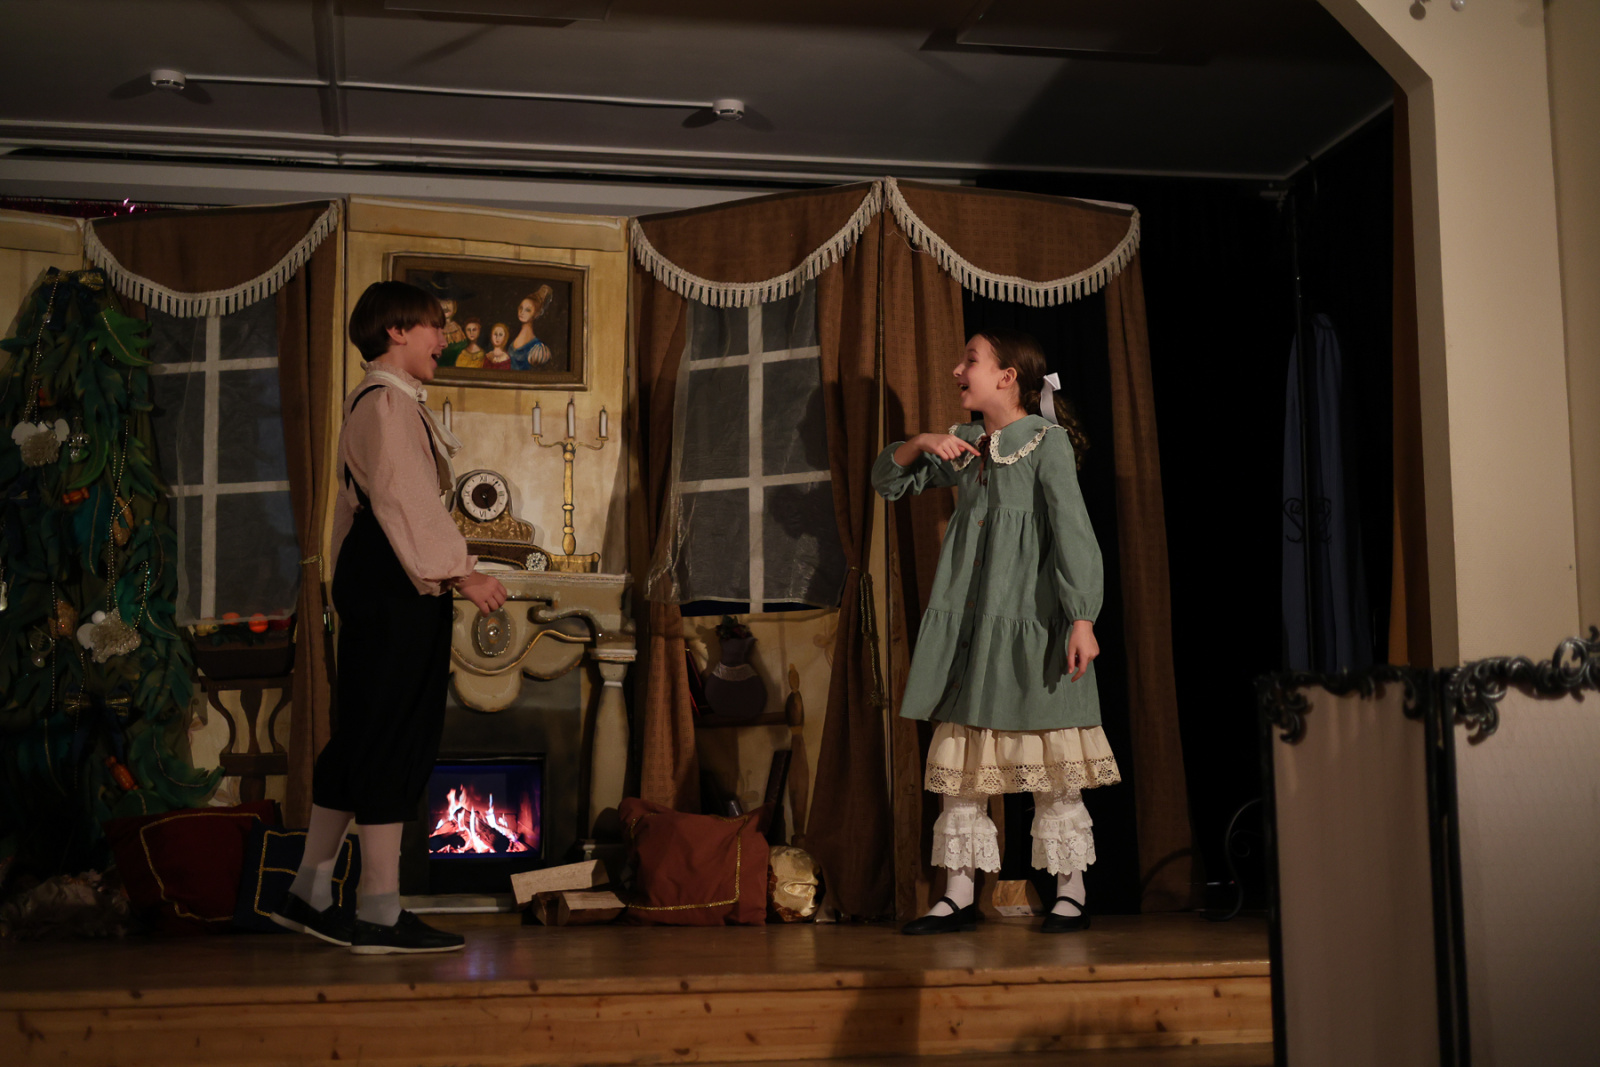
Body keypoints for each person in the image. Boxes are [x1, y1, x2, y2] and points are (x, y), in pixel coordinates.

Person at [272, 281, 508, 954]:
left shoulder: (381, 401)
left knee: (363, 734)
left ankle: (309, 889)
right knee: (391, 736)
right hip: (396, 582)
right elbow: (405, 501)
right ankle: (378, 909)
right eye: (434, 326)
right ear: (396, 331)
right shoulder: (385, 405)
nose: (444, 338)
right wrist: (462, 570)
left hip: (382, 577)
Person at [872, 329, 1120, 935]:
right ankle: (958, 893)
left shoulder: (1045, 442)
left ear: (1008, 377)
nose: (958, 370)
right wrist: (921, 442)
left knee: (1049, 755)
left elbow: (1073, 531)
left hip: (1031, 623)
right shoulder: (966, 444)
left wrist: (1082, 617)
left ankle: (1070, 890)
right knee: (964, 756)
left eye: (971, 360)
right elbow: (889, 482)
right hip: (971, 623)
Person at [509, 286, 553, 371]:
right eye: (521, 308)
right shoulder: (512, 339)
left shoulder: (538, 347)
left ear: (536, 314)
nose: (522, 312)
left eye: (528, 310)